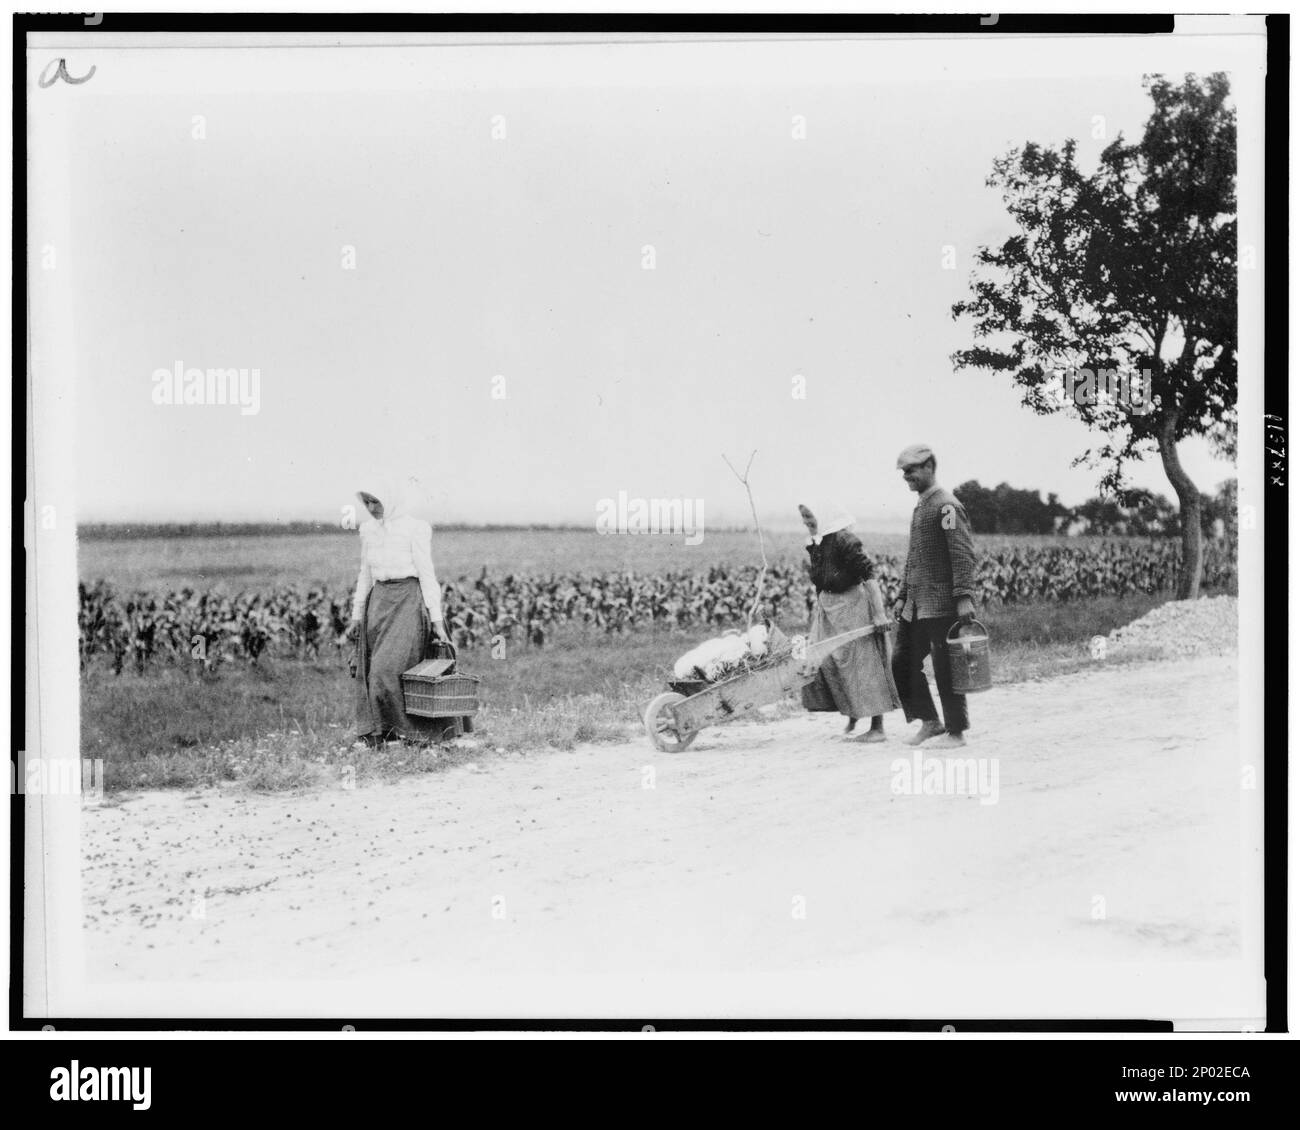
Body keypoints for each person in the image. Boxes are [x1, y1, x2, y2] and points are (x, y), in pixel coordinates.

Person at [349, 475, 452, 747]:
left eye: (376, 501)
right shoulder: (368, 530)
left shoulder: (414, 528)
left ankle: (415, 733)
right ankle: (385, 735)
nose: (372, 507)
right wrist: (357, 614)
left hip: (407, 601)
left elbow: (427, 574)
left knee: (386, 672)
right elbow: (365, 574)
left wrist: (437, 620)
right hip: (378, 603)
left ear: (391, 499)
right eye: (367, 502)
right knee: (373, 672)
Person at [891, 445, 978, 749]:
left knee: (945, 667)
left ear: (930, 466)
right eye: (904, 472)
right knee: (902, 661)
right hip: (917, 604)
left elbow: (961, 554)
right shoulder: (922, 506)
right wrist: (902, 596)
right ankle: (930, 721)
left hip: (942, 604)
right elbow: (913, 558)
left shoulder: (946, 507)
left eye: (911, 470)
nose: (906, 477)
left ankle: (956, 732)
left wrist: (964, 596)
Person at [798, 502, 901, 742]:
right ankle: (852, 713)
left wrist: (878, 613)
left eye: (809, 516)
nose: (806, 522)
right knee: (828, 661)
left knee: (864, 663)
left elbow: (869, 575)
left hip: (853, 606)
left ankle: (877, 727)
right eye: (803, 517)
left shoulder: (845, 539)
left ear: (823, 514)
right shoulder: (816, 542)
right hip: (830, 609)